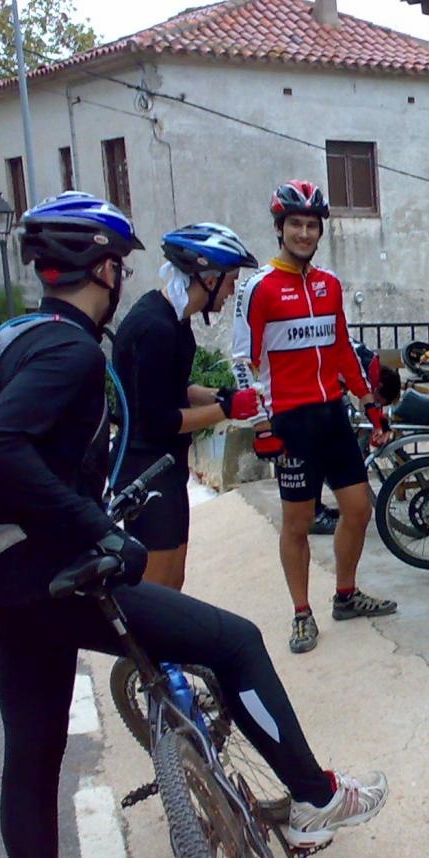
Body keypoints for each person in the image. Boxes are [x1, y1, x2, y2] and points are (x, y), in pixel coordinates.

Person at [0, 192, 388, 858]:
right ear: (108, 268)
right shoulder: (73, 351)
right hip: (52, 578)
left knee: (33, 754)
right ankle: (314, 798)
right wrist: (93, 530)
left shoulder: (22, 332)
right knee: (232, 641)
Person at [231, 180, 397, 654]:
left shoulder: (328, 285)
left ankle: (345, 594)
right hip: (290, 421)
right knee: (298, 523)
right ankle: (301, 612)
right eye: (295, 224)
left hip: (331, 413)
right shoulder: (259, 287)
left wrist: (369, 403)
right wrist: (260, 425)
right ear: (279, 229)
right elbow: (243, 360)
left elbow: (342, 349)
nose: (304, 233)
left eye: (311, 225)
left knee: (359, 509)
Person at [111, 223, 262, 588]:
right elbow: (158, 419)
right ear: (207, 279)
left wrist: (217, 395)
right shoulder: (156, 328)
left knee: (174, 583)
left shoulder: (174, 319)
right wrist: (229, 410)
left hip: (169, 465)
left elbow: (173, 387)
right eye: (229, 283)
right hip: (145, 468)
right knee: (157, 593)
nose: (231, 293)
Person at [309, 340, 402, 536]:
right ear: (380, 387)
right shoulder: (369, 371)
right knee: (316, 451)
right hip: (311, 386)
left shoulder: (372, 364)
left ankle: (315, 508)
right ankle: (313, 514)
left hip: (321, 380)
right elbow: (364, 396)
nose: (377, 404)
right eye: (379, 401)